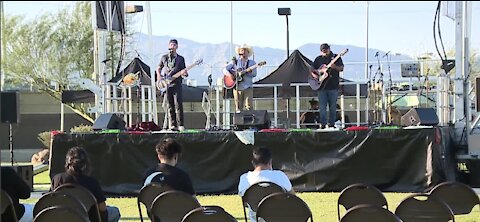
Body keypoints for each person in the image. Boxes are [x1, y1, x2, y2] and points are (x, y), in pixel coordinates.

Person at [50, 146, 121, 222]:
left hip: (62, 218)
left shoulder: (57, 179)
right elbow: (102, 208)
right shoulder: (92, 182)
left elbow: (50, 201)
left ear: (67, 162)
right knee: (115, 211)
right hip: (87, 219)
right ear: (85, 165)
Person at [238, 147, 293, 222]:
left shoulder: (244, 178)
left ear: (253, 162)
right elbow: (292, 197)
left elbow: (246, 203)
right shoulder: (280, 176)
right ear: (270, 162)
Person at [156, 39, 188, 131]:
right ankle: (173, 124)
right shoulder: (164, 57)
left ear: (177, 47)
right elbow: (158, 68)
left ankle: (181, 124)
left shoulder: (180, 59)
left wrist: (184, 73)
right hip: (166, 84)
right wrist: (159, 77)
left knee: (178, 103)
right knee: (170, 105)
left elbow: (184, 72)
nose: (172, 47)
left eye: (174, 45)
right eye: (171, 45)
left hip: (177, 83)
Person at [311, 43, 344, 129]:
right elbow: (312, 70)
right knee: (322, 107)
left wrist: (334, 67)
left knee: (333, 107)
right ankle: (323, 124)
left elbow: (341, 68)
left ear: (329, 49)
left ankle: (331, 124)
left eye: (326, 50)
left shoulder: (336, 57)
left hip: (333, 86)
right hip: (321, 87)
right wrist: (317, 76)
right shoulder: (318, 59)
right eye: (323, 51)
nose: (324, 52)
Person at [223, 43, 257, 113]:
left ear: (248, 53)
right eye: (242, 50)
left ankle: (250, 122)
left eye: (245, 51)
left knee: (249, 106)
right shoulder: (235, 62)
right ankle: (239, 123)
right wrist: (231, 75)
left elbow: (254, 74)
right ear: (239, 52)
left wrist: (249, 72)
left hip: (248, 87)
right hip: (237, 87)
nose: (243, 52)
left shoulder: (252, 63)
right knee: (238, 108)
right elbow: (225, 70)